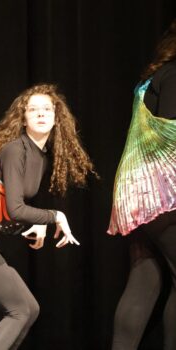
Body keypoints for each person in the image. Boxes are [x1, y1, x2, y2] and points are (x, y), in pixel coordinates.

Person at [0, 83, 95, 349]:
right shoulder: (15, 149)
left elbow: (12, 207)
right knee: (20, 309)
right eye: (33, 109)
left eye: (47, 109)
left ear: (56, 116)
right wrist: (55, 216)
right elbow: (16, 209)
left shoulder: (39, 154)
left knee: (29, 309)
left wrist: (36, 222)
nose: (41, 114)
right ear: (23, 118)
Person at [108, 19, 176, 350]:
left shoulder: (152, 78)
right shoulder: (175, 74)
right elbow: (171, 131)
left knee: (145, 279)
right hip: (161, 194)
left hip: (137, 194)